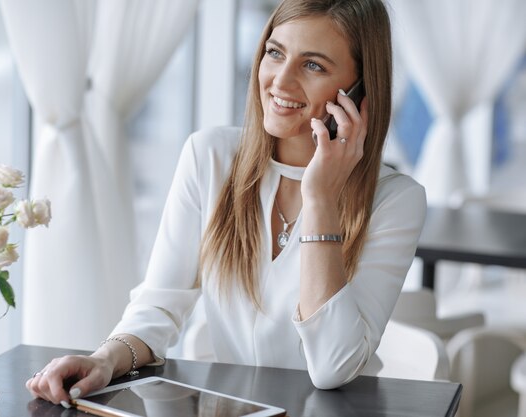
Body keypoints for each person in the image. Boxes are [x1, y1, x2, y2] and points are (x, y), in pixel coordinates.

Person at [27, 0, 426, 407]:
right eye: (275, 53)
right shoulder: (210, 157)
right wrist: (103, 359)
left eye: (313, 66)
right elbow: (160, 304)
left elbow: (332, 368)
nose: (280, 82)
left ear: (358, 91)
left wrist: (320, 198)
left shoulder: (396, 201)